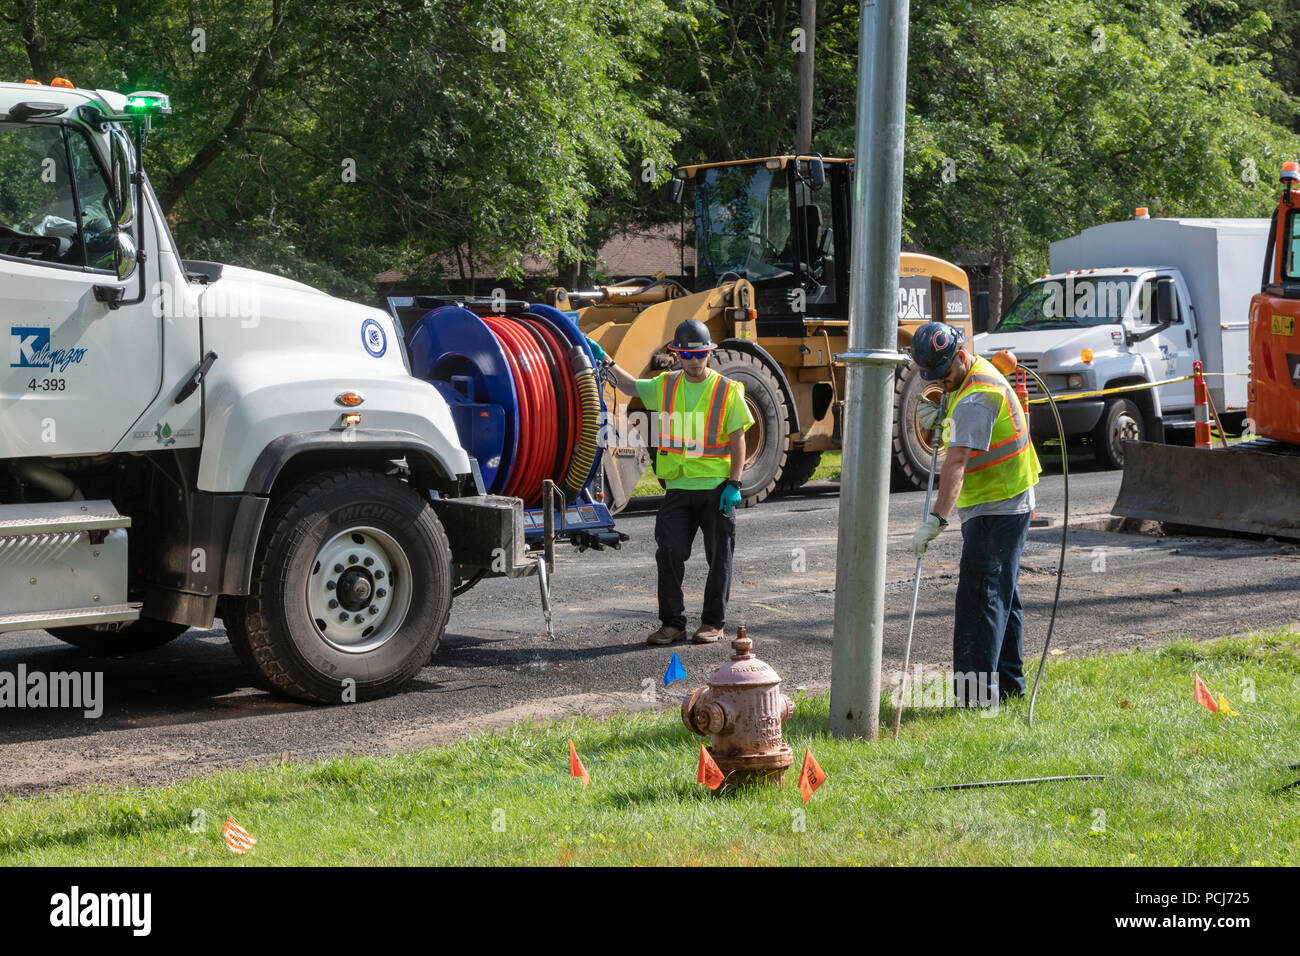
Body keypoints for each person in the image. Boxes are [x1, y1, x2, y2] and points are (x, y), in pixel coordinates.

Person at [587, 319, 754, 645]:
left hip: (716, 489)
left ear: (709, 353)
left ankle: (712, 623)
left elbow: (738, 439)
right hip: (678, 489)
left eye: (700, 354)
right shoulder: (667, 385)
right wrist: (605, 361)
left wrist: (735, 483)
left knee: (719, 557)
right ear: (677, 353)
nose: (694, 361)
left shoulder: (726, 390)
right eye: (687, 355)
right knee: (669, 552)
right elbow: (631, 386)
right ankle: (673, 624)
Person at [909, 321, 1042, 707]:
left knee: (981, 600)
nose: (943, 383)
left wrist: (936, 519)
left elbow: (956, 462)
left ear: (962, 357)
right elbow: (963, 393)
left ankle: (975, 700)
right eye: (935, 378)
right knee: (1003, 596)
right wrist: (945, 409)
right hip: (1006, 499)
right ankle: (1009, 688)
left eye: (946, 374)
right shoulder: (973, 377)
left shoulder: (976, 397)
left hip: (996, 507)